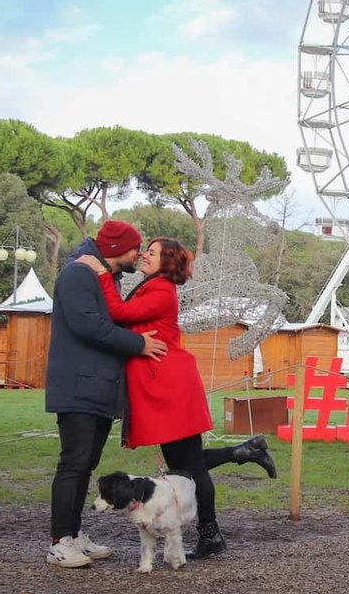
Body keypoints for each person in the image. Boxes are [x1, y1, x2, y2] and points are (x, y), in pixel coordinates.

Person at [79, 236, 272, 561]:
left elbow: (118, 312)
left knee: (190, 469)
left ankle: (211, 534)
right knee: (184, 463)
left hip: (170, 389)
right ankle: (245, 452)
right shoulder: (151, 286)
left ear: (167, 262)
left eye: (151, 253)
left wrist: (99, 271)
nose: (144, 255)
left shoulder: (161, 290)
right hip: (164, 388)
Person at [45, 220, 168, 569]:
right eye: (135, 248)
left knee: (85, 463)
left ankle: (73, 533)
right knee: (73, 462)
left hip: (97, 385)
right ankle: (59, 541)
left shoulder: (102, 275)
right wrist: (139, 344)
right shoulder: (78, 274)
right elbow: (89, 326)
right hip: (78, 384)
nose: (139, 254)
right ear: (115, 251)